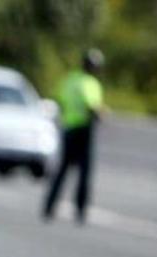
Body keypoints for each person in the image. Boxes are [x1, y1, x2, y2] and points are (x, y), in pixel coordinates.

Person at [42, 48, 105, 224]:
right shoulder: (90, 83)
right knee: (84, 173)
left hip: (68, 128)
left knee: (62, 170)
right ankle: (80, 211)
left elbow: (58, 100)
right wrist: (101, 114)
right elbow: (92, 106)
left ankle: (49, 206)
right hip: (83, 130)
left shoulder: (70, 80)